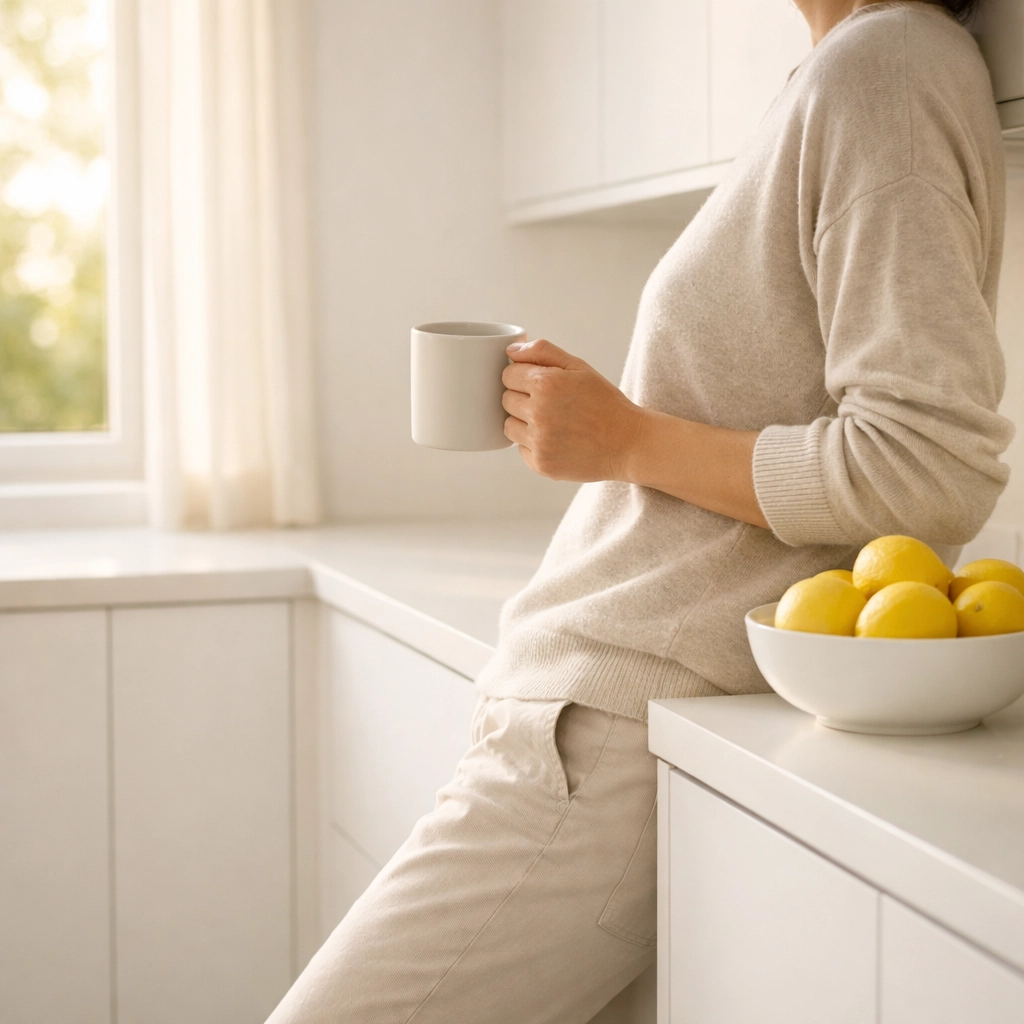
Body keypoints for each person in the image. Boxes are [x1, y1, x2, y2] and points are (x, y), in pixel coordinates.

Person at [267, 1, 1012, 1021]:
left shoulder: (885, 67)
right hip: (593, 724)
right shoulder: (841, 74)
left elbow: (928, 464)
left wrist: (623, 440)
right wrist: (608, 435)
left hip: (610, 739)